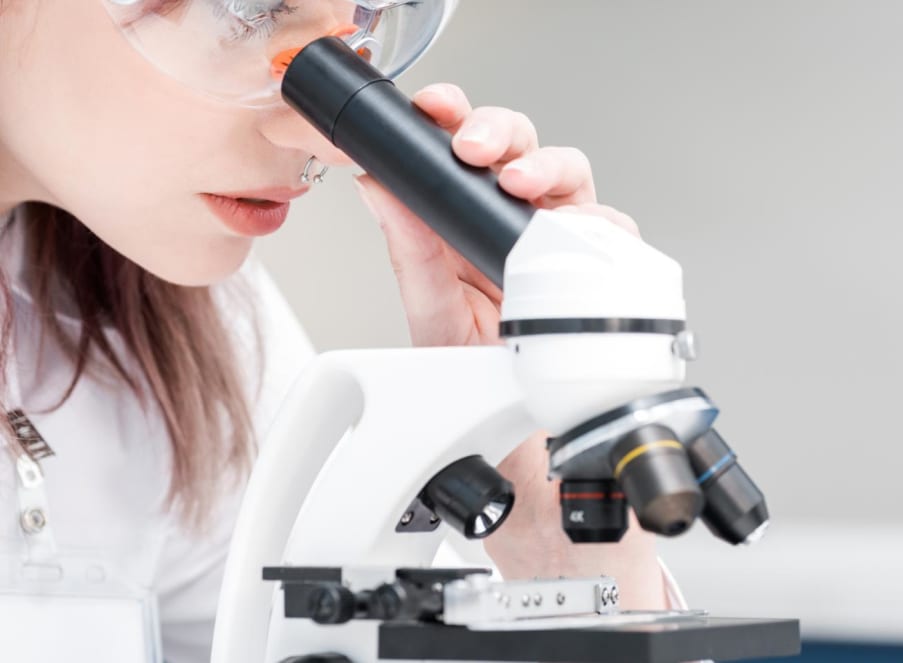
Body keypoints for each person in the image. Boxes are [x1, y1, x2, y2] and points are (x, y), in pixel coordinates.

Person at [0, 1, 674, 660]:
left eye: (364, 24)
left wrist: (556, 550)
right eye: (247, 12)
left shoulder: (179, 337)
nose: (322, 138)